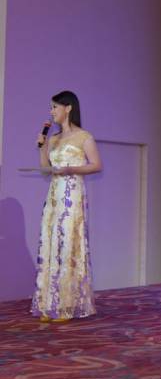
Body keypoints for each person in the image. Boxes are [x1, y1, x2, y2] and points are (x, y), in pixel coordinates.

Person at [32, 91, 102, 323]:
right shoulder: (53, 138)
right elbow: (46, 170)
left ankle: (67, 305)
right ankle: (48, 304)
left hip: (72, 195)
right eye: (51, 107)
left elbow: (96, 165)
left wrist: (71, 169)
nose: (52, 111)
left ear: (68, 108)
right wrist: (42, 147)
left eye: (55, 107)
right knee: (51, 244)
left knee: (68, 246)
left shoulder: (84, 137)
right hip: (54, 196)